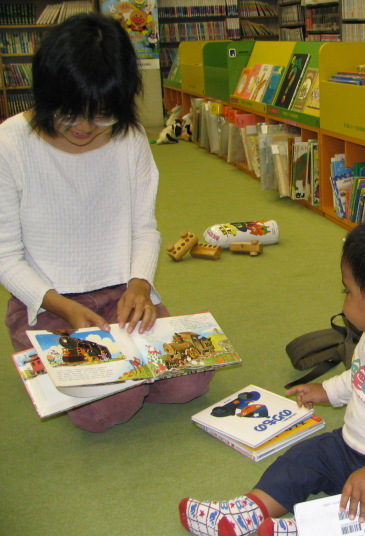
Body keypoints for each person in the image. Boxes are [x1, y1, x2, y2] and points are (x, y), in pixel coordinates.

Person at [179, 211, 365, 536]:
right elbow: (363, 377)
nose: (344, 300)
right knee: (304, 457)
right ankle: (251, 510)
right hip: (353, 446)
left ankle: (312, 529)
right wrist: (327, 391)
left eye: (347, 291)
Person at [0, 13, 213, 433]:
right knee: (104, 410)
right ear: (46, 95)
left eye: (101, 116)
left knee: (191, 381)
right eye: (68, 114)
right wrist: (63, 307)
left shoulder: (129, 137)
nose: (83, 128)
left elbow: (143, 229)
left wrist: (139, 286)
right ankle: (91, 372)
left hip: (120, 292)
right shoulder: (10, 143)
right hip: (48, 302)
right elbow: (6, 257)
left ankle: (117, 374)